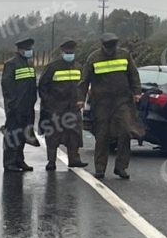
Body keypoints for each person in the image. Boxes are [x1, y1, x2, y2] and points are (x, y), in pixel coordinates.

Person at [78, 33, 143, 179]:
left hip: (122, 101)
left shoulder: (124, 55)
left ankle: (121, 167)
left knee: (126, 132)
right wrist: (81, 99)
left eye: (112, 47)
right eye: (108, 47)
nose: (110, 50)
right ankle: (100, 168)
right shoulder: (93, 58)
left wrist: (137, 91)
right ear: (103, 46)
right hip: (102, 103)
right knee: (102, 135)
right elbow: (84, 80)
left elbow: (133, 74)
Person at [37, 38, 89, 171]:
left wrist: (81, 99)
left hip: (73, 107)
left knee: (74, 134)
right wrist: (48, 103)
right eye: (67, 52)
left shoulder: (78, 66)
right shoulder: (53, 67)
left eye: (71, 52)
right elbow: (42, 86)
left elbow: (82, 85)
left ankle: (74, 159)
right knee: (53, 135)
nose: (69, 54)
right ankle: (51, 161)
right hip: (56, 107)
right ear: (62, 52)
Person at [1, 38, 40, 172]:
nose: (29, 51)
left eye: (30, 49)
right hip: (16, 107)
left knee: (23, 135)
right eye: (27, 49)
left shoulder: (29, 64)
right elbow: (7, 87)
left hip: (28, 107)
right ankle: (9, 162)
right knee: (12, 135)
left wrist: (32, 101)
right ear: (20, 50)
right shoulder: (11, 64)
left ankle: (19, 160)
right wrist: (12, 106)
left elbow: (32, 85)